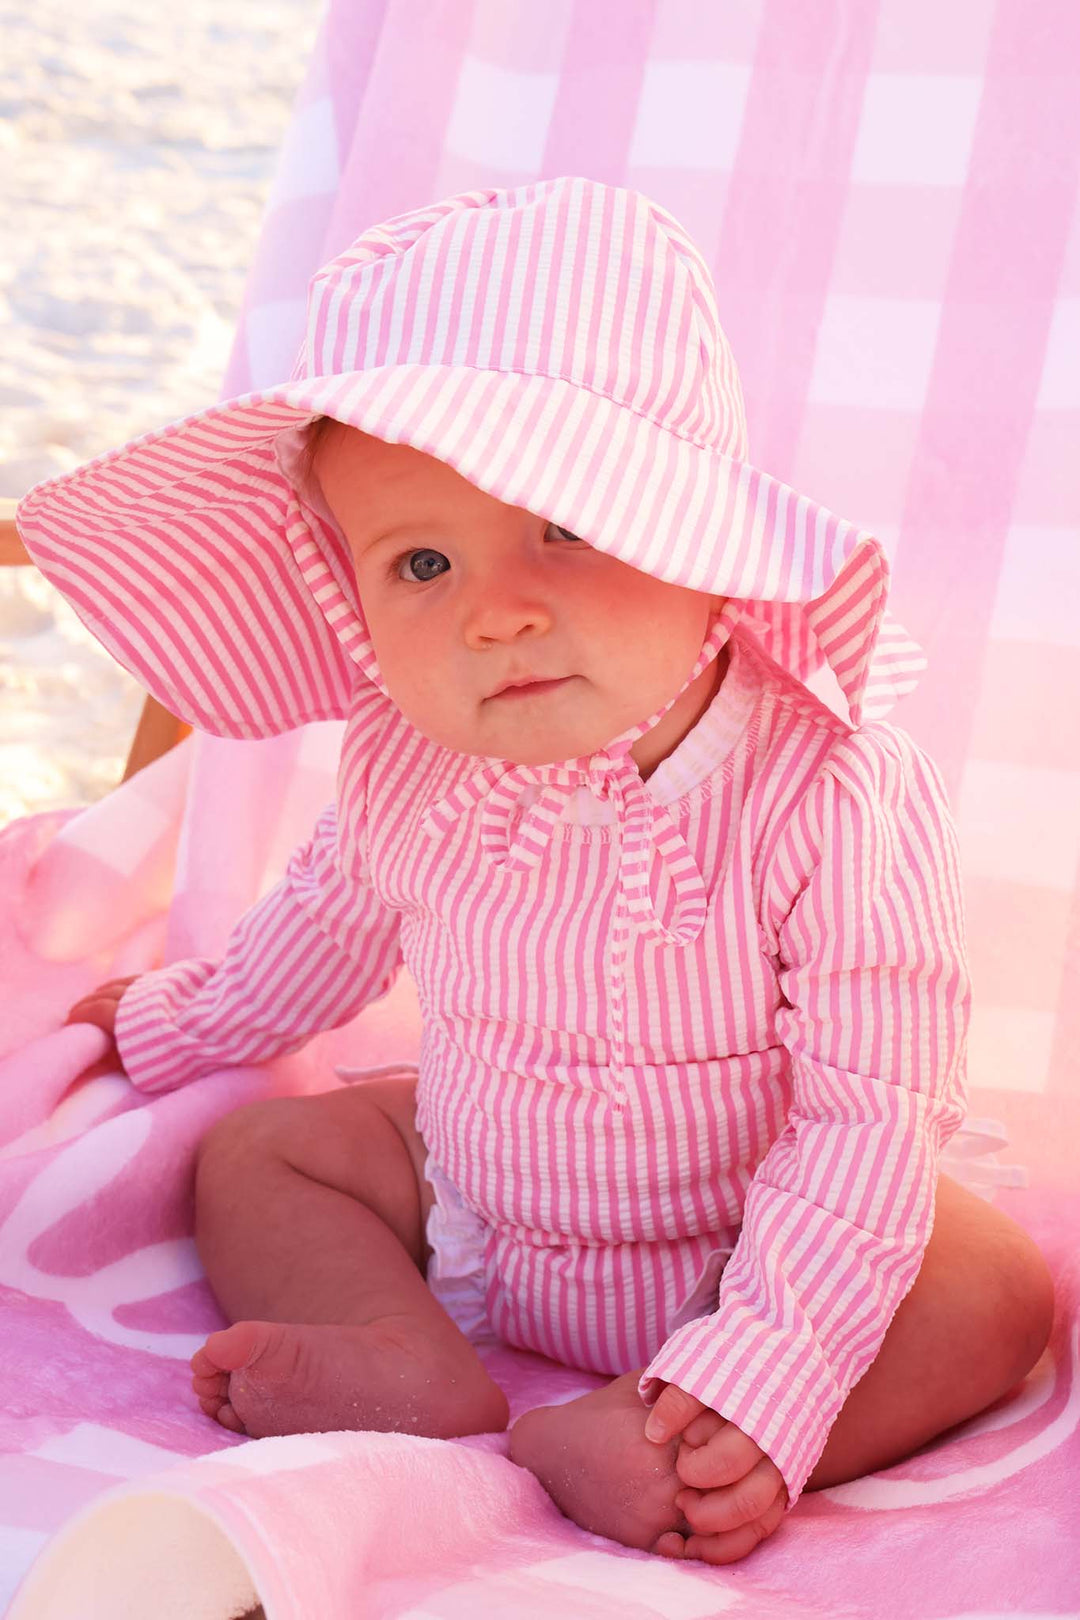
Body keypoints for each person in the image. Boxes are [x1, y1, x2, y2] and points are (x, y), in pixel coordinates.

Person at [29, 178, 1053, 1568]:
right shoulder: (408, 757)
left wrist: (771, 1366)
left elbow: (868, 1113)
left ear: (699, 536)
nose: (497, 611)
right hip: (476, 1197)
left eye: (562, 525)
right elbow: (320, 935)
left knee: (991, 1286)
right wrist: (175, 1021)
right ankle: (397, 1350)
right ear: (351, 595)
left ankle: (676, 1430)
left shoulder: (831, 782)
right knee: (264, 1149)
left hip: (744, 1236)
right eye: (423, 563)